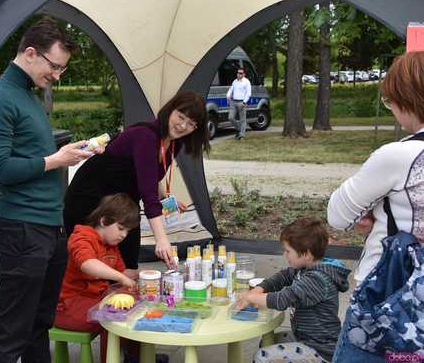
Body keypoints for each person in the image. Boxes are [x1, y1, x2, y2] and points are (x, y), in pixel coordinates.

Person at [0, 17, 96, 363]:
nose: (57, 75)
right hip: (22, 229)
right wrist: (55, 161)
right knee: (13, 329)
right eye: (54, 66)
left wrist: (70, 154)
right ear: (30, 53)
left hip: (48, 228)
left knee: (39, 324)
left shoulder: (27, 95)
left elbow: (35, 155)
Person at [327, 51, 424, 362]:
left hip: (389, 295)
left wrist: (374, 207)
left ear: (406, 99)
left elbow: (338, 215)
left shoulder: (397, 155)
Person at [64, 90, 211, 270]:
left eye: (191, 124)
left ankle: (120, 294)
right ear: (170, 110)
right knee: (92, 261)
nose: (182, 126)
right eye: (180, 117)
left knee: (129, 264)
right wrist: (162, 240)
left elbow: (148, 174)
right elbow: (148, 194)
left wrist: (164, 197)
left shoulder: (174, 142)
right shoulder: (146, 136)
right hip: (89, 197)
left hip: (121, 202)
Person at [237, 217, 351, 363]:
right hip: (306, 338)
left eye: (288, 251)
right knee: (269, 341)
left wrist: (250, 297)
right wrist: (260, 288)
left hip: (321, 350)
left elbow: (282, 299)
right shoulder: (306, 267)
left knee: (262, 357)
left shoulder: (317, 279)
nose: (284, 255)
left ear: (306, 254)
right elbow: (283, 277)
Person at [54, 193, 139, 363]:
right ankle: (112, 359)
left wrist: (143, 274)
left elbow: (123, 273)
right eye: (121, 228)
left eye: (128, 231)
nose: (124, 235)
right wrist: (121, 278)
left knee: (137, 306)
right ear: (103, 220)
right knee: (113, 316)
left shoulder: (111, 246)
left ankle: (137, 357)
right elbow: (88, 264)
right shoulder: (82, 238)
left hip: (93, 302)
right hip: (68, 307)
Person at [226, 67, 251, 140]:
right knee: (230, 117)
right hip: (233, 101)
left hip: (241, 102)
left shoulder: (246, 82)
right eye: (238, 73)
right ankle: (239, 129)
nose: (238, 74)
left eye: (240, 73)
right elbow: (231, 89)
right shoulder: (235, 81)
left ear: (244, 74)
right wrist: (228, 95)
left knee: (242, 119)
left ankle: (241, 135)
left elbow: (248, 93)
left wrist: (244, 102)